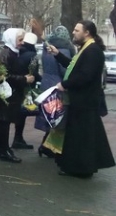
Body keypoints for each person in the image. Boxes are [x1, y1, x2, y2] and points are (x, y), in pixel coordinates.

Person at [44, 21, 114, 177]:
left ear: (87, 32)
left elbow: (84, 76)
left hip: (84, 101)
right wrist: (58, 54)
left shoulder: (92, 51)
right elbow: (73, 67)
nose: (73, 32)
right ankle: (79, 167)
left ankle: (81, 169)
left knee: (83, 138)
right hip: (81, 101)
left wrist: (65, 84)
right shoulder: (86, 49)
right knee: (82, 136)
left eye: (77, 30)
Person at [0, 28, 35, 163]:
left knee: (5, 121)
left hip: (10, 93)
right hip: (6, 93)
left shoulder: (12, 53)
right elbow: (3, 75)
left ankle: (2, 147)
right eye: (20, 40)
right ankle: (1, 149)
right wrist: (23, 79)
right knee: (4, 121)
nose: (22, 43)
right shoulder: (6, 54)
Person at [35, 26, 74, 157]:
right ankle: (48, 147)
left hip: (46, 84)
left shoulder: (47, 49)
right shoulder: (65, 50)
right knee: (58, 118)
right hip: (58, 86)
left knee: (49, 116)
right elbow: (65, 70)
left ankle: (46, 147)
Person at [12, 32, 40, 150]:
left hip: (16, 85)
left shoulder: (18, 53)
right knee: (25, 111)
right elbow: (33, 72)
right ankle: (18, 139)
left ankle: (17, 138)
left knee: (20, 113)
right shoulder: (32, 55)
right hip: (26, 86)